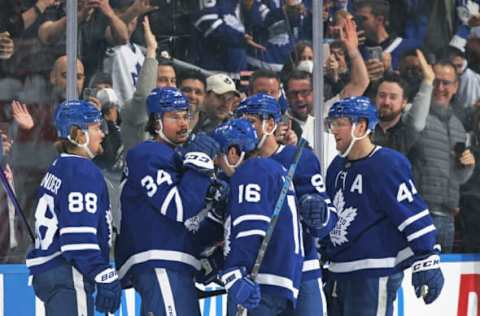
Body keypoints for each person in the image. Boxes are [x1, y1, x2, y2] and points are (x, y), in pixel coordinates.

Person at [323, 96, 444, 316]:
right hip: (338, 273)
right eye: (332, 123)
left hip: (373, 272)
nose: (333, 130)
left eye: (340, 123)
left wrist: (427, 256)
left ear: (360, 126)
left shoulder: (387, 164)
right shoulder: (335, 168)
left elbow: (412, 213)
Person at [115, 87, 222, 315]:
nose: (183, 123)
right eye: (174, 117)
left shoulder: (178, 158)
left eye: (186, 116)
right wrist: (200, 162)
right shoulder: (147, 154)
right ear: (156, 121)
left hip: (176, 264)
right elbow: (179, 208)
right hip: (160, 261)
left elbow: (194, 217)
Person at [234, 93, 337, 315]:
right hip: (257, 273)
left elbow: (328, 218)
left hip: (302, 268)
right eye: (240, 122)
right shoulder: (235, 164)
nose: (245, 128)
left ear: (270, 124)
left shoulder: (300, 158)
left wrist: (319, 213)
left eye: (250, 121)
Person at [26, 100, 121, 315]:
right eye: (96, 128)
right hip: (68, 271)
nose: (102, 134)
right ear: (79, 135)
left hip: (52, 272)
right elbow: (78, 239)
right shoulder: (81, 170)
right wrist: (102, 273)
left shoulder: (59, 166)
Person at [211, 118, 303, 315]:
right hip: (281, 282)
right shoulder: (273, 169)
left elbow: (250, 228)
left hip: (258, 284)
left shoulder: (249, 172)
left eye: (218, 156)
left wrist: (235, 273)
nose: (217, 163)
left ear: (233, 153)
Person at [408, 60, 476, 252]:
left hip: (447, 217)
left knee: (442, 279)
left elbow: (458, 178)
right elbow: (413, 126)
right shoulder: (416, 115)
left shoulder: (458, 126)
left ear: (456, 87)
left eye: (446, 83)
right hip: (419, 213)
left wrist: (468, 167)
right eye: (435, 81)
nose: (440, 87)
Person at [373, 50, 434, 154]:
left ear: (404, 102)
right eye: (382, 96)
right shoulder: (363, 126)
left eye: (393, 97)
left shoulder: (405, 130)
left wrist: (427, 82)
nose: (386, 102)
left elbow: (416, 123)